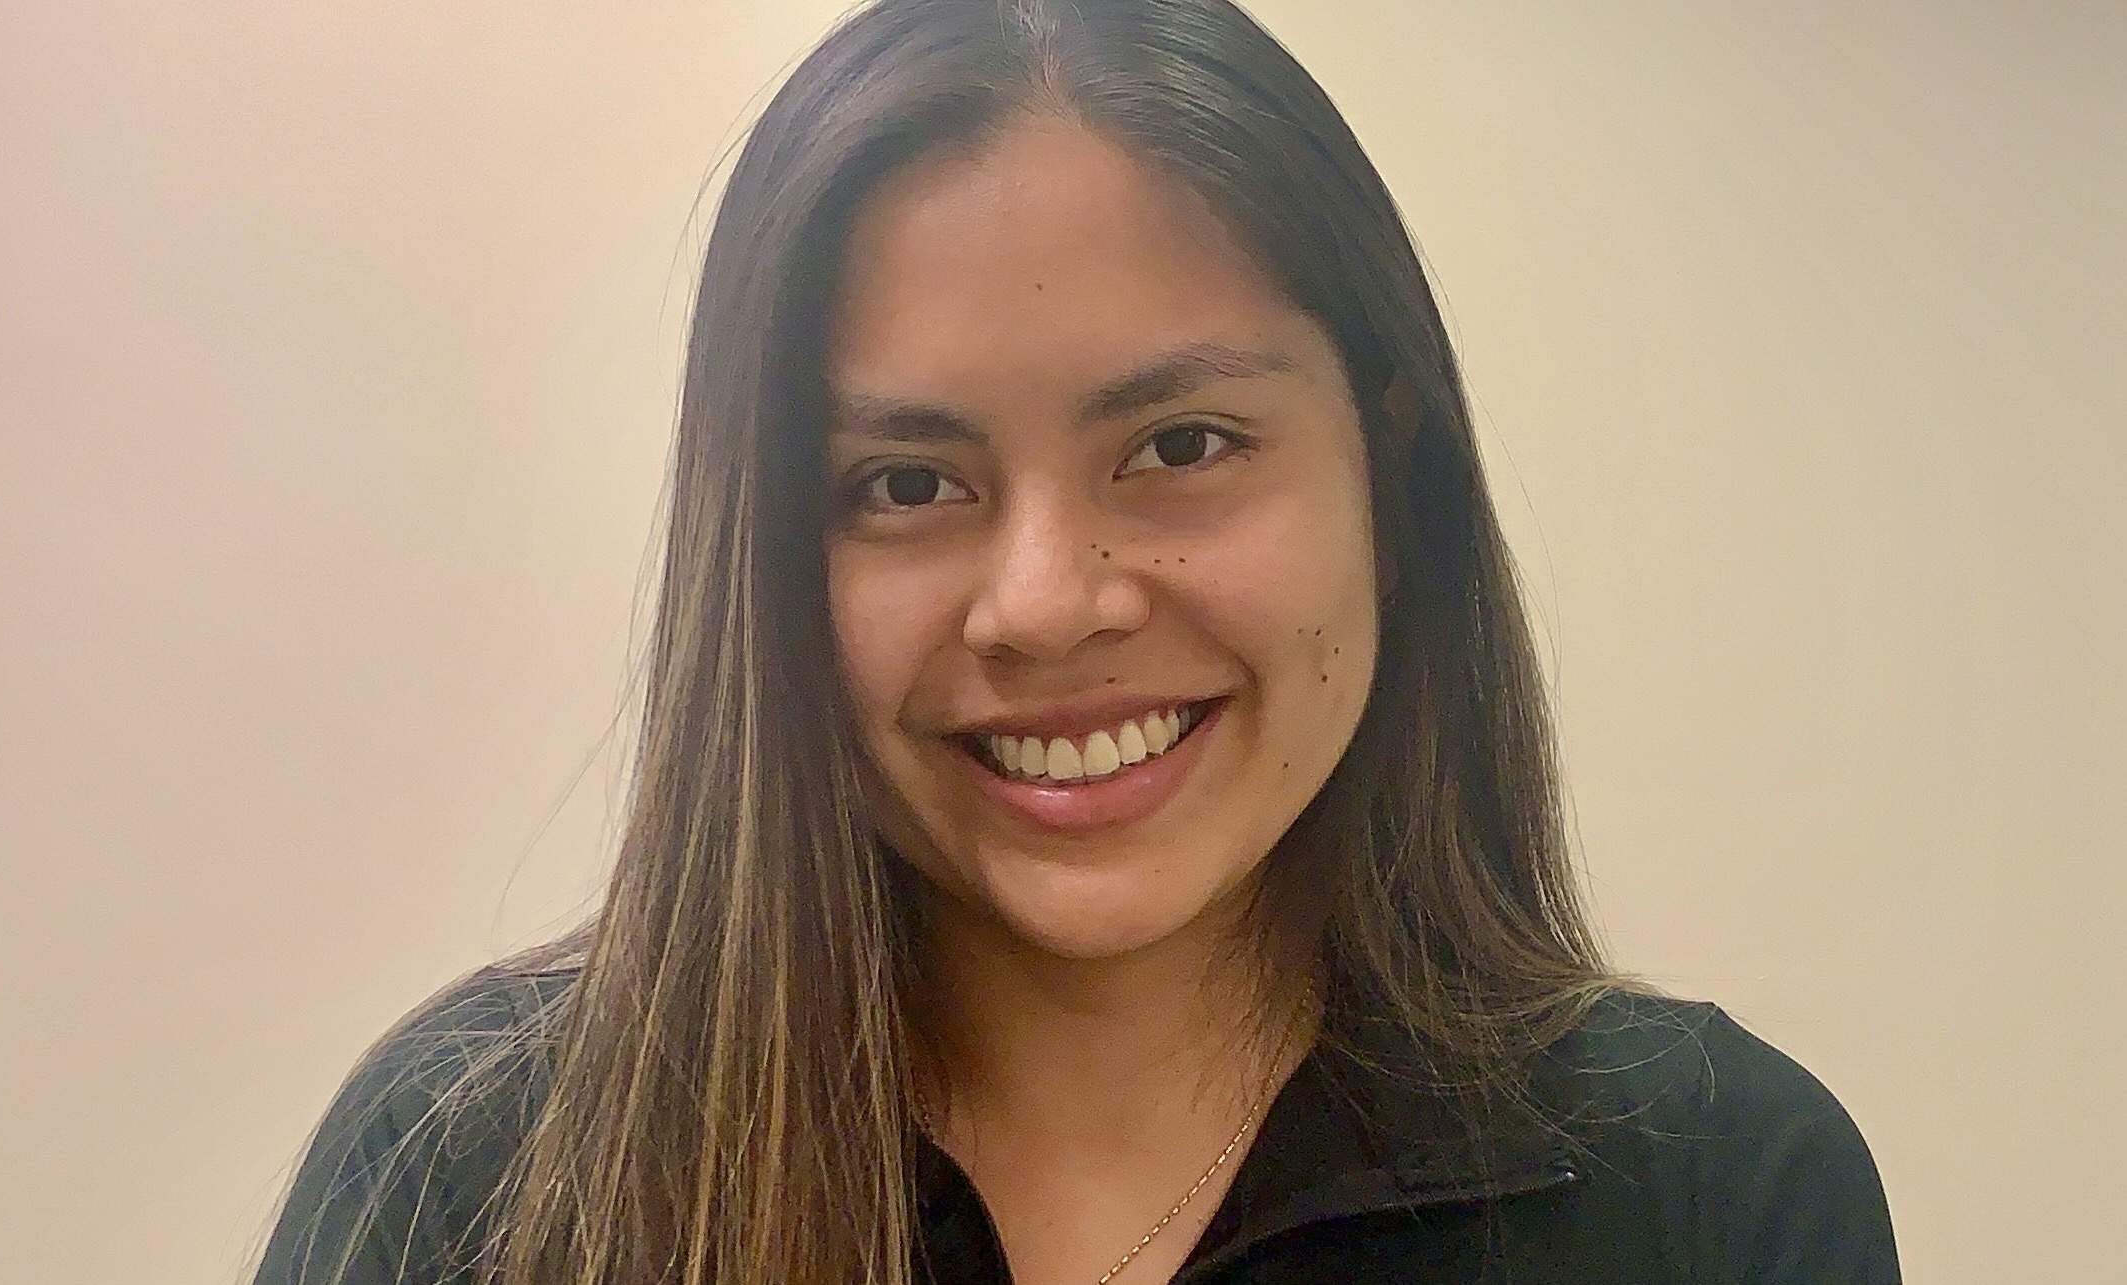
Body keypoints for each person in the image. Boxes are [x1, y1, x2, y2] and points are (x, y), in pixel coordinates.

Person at [249, 1, 1901, 1282]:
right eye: (906, 481)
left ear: (1391, 467)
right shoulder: (484, 1178)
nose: (1045, 600)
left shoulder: (1705, 1189)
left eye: (1180, 446)